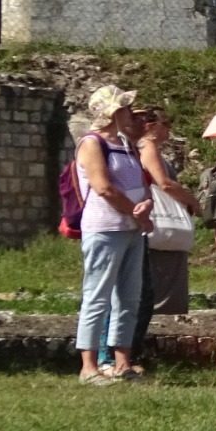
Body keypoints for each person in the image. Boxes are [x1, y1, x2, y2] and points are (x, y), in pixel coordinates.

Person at [74, 86, 151, 385]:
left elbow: (140, 181)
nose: (131, 113)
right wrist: (135, 210)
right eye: (126, 108)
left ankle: (122, 362)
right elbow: (103, 187)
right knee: (97, 296)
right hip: (105, 228)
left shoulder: (126, 144)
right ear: (113, 113)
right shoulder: (92, 144)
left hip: (132, 229)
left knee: (129, 297)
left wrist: (146, 205)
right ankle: (89, 366)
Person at [129, 105, 197, 371]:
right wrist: (193, 202)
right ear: (150, 126)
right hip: (157, 224)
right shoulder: (148, 149)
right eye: (164, 124)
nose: (168, 130)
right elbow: (163, 183)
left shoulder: (144, 148)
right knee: (151, 291)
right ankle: (135, 350)